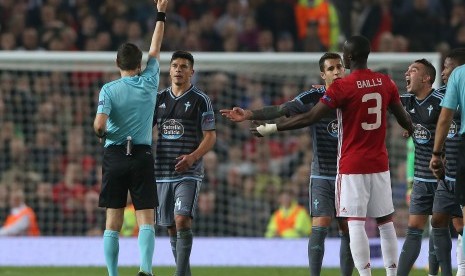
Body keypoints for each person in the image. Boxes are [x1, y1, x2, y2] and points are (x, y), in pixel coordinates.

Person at [250, 35, 413, 276]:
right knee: (385, 222)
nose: (338, 67)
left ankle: (365, 274)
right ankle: (392, 273)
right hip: (379, 163)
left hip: (351, 164)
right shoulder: (385, 81)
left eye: (342, 59)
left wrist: (273, 128)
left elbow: (309, 117)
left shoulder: (343, 88)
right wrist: (409, 128)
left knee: (354, 224)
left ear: (348, 58)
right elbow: (401, 115)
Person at [220, 52, 354, 275]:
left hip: (349, 173)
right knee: (319, 226)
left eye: (340, 67)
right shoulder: (313, 97)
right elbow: (283, 109)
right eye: (331, 68)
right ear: (323, 74)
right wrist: (249, 114)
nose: (337, 71)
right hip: (322, 173)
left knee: (347, 229)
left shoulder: (354, 96)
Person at [93, 0, 168, 275]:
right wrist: (160, 13)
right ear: (139, 64)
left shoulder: (108, 90)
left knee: (112, 220)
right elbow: (156, 48)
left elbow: (99, 125)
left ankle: (113, 274)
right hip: (141, 154)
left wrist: (104, 133)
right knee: (146, 217)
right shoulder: (149, 81)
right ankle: (145, 271)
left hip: (114, 155)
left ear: (117, 63)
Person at [153, 50, 216, 276]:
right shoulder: (158, 99)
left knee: (182, 220)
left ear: (192, 71)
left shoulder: (201, 100)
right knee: (170, 226)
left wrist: (193, 157)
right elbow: (145, 129)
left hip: (188, 172)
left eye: (183, 66)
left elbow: (210, 136)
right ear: (169, 70)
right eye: (175, 66)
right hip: (161, 172)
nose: (178, 70)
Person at [397, 59, 462, 276]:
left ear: (426, 78)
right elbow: (382, 100)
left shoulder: (443, 99)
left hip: (444, 176)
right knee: (415, 227)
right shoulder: (406, 102)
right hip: (421, 178)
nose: (407, 73)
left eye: (413, 70)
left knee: (449, 226)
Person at [429, 48, 465, 276]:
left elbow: (445, 117)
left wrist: (435, 153)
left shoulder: (459, 75)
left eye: (447, 67)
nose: (443, 73)